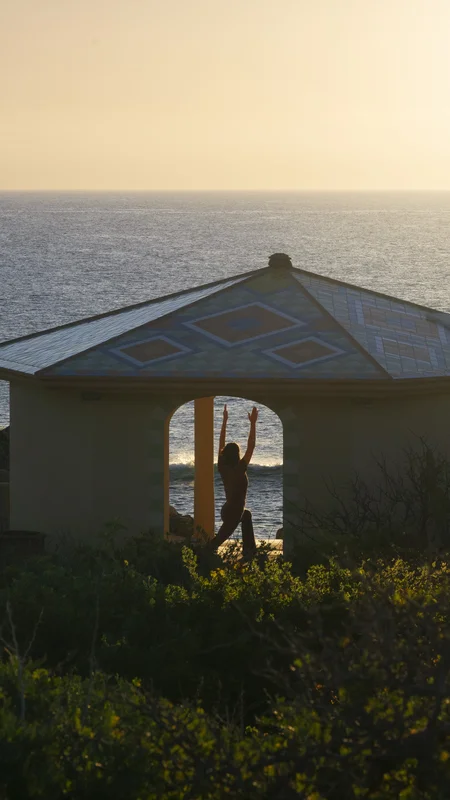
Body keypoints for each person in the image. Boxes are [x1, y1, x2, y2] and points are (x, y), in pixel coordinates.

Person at [207, 403, 258, 558]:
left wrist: (224, 422)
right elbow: (251, 446)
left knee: (247, 515)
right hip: (234, 512)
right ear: (236, 455)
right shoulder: (239, 469)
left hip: (228, 510)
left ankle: (250, 551)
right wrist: (253, 424)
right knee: (215, 543)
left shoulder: (222, 467)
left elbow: (220, 446)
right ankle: (201, 559)